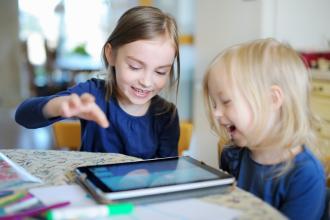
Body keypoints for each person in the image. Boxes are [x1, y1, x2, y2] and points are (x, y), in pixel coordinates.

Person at [15, 6, 181, 159]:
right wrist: (58, 105)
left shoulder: (167, 115)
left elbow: (166, 173)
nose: (146, 82)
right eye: (135, 67)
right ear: (111, 55)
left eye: (160, 72)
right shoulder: (92, 94)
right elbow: (22, 115)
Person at [203, 38, 326, 219]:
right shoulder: (232, 156)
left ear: (272, 100)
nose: (216, 114)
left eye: (226, 102)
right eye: (214, 104)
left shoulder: (305, 176)